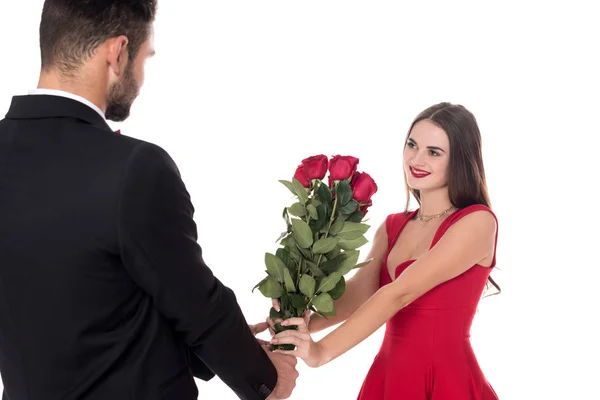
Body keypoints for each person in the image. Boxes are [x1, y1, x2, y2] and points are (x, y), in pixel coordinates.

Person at [0, 1, 298, 399]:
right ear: (118, 52)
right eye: (145, 58)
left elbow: (85, 297)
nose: (141, 76)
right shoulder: (135, 167)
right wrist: (264, 380)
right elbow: (195, 303)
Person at [269, 102, 500, 399]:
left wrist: (320, 353)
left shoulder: (478, 221)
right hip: (390, 376)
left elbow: (397, 293)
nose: (416, 159)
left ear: (460, 160)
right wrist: (299, 325)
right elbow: (358, 294)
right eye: (412, 145)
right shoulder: (392, 227)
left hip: (445, 378)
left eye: (434, 152)